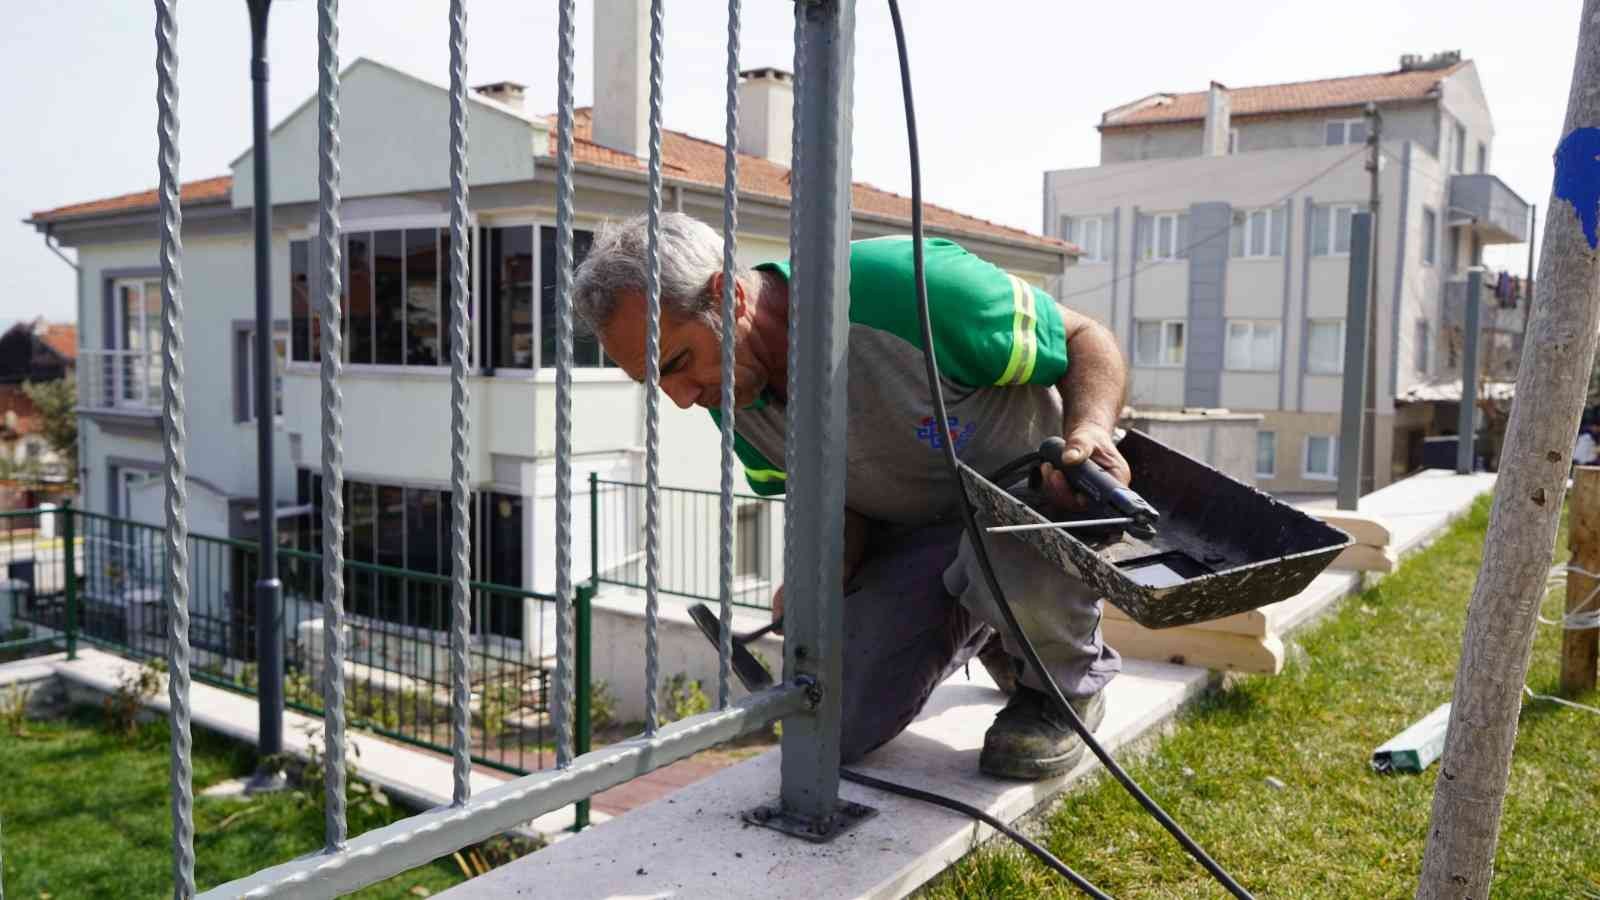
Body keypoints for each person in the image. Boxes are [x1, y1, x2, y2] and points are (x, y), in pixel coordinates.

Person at [573, 212, 1129, 780]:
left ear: (727, 295)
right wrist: (822, 576)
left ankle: (1064, 688)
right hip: (918, 533)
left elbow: (1085, 337)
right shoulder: (729, 393)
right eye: (656, 381)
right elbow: (836, 499)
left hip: (1026, 504)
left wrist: (1090, 432)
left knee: (1006, 554)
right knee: (834, 729)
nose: (682, 398)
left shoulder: (907, 286)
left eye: (678, 363)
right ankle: (995, 623)